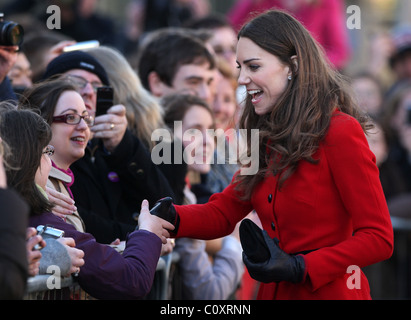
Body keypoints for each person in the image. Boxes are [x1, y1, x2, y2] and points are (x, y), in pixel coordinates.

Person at [149, 10, 394, 300]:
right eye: (240, 67)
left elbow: (378, 238)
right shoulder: (265, 136)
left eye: (253, 66)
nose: (241, 79)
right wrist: (170, 216)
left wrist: (300, 267)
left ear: (292, 66)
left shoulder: (340, 132)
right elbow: (225, 211)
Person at [0, 107, 174, 299]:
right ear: (26, 159)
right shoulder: (41, 222)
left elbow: (93, 258)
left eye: (85, 117)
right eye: (45, 152)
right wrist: (147, 233)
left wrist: (118, 250)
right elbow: (131, 279)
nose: (49, 163)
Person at [41, 51, 175, 243]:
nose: (88, 91)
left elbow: (165, 205)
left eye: (97, 86)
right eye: (76, 82)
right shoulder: (47, 154)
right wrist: (145, 238)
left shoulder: (112, 148)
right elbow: (78, 221)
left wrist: (123, 147)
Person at [161, 93, 244, 299]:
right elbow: (208, 293)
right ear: (167, 135)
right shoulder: (175, 198)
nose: (207, 141)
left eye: (210, 131)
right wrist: (234, 242)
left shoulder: (191, 192)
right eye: (194, 131)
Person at [227, 0, 350, 70]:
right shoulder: (261, 2)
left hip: (309, 75)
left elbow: (339, 52)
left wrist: (308, 65)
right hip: (263, 70)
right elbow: (230, 32)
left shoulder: (326, 4)